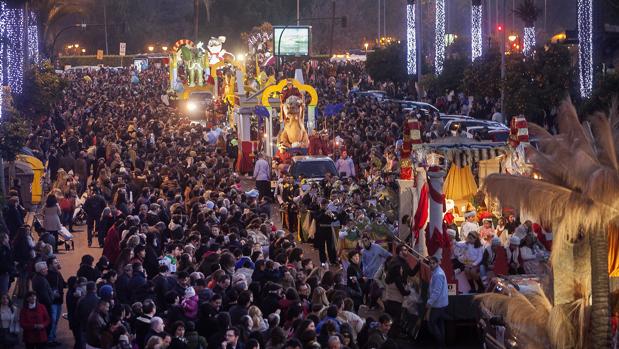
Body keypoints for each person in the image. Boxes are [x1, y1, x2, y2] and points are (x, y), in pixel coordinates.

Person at [425, 256, 448, 349]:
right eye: (430, 263)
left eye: (433, 263)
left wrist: (429, 302)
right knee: (439, 323)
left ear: (438, 263)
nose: (431, 265)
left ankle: (441, 345)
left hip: (438, 304)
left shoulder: (438, 274)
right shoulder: (437, 272)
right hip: (441, 303)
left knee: (432, 323)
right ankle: (442, 344)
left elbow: (436, 291)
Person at [46, 256, 66, 346]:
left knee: (56, 320)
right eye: (55, 263)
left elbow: (63, 283)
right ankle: (49, 339)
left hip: (58, 300)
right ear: (50, 265)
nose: (57, 263)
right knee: (52, 320)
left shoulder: (58, 273)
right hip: (52, 302)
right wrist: (52, 294)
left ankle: (52, 338)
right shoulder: (47, 275)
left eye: (57, 262)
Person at [312, 199, 337, 267]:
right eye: (323, 205)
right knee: (321, 247)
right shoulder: (317, 211)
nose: (324, 206)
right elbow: (316, 219)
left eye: (325, 205)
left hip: (329, 230)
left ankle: (333, 260)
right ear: (320, 205)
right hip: (320, 230)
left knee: (331, 246)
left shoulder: (330, 211)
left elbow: (335, 219)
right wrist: (324, 214)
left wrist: (332, 215)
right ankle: (323, 261)